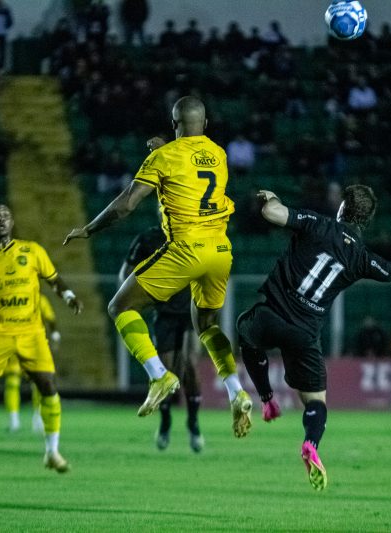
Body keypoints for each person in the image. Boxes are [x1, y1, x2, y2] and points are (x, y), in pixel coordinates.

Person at [237, 186, 391, 490]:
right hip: (304, 334)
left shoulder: (318, 223)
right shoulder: (361, 258)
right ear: (366, 221)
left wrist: (270, 198)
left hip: (272, 313)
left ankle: (266, 400)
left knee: (245, 330)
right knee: (316, 402)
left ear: (342, 207)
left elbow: (271, 213)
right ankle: (310, 443)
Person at [64, 95, 253, 438]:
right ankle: (236, 390)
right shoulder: (219, 154)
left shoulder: (163, 157)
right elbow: (190, 162)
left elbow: (126, 205)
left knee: (120, 305)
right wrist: (163, 150)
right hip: (221, 250)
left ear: (173, 123)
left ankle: (159, 374)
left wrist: (89, 228)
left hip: (187, 248)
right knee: (207, 325)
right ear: (205, 124)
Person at [0, 203, 84, 478]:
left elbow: (54, 280)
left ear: (12, 222)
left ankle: (52, 452)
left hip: (32, 333)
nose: (1, 221)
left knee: (49, 387)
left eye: (5, 216)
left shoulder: (32, 251)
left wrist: (70, 297)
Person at [120, 226, 204, 453]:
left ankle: (193, 423)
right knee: (165, 370)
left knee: (189, 364)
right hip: (164, 313)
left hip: (190, 311)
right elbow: (125, 273)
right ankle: (166, 422)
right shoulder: (147, 239)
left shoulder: (193, 233)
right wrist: (136, 297)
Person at [3, 293, 60, 433]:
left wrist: (54, 334)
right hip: (14, 342)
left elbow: (51, 318)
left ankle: (37, 417)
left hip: (34, 343)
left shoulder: (39, 299)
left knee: (37, 382)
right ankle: (14, 419)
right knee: (12, 381)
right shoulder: (11, 296)